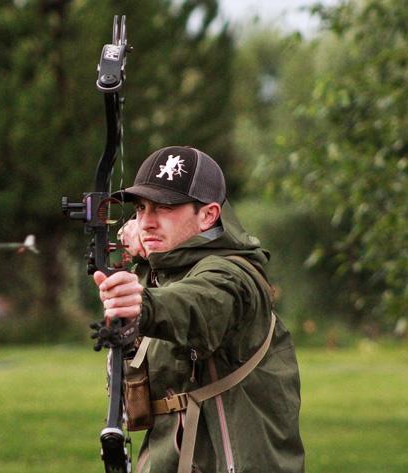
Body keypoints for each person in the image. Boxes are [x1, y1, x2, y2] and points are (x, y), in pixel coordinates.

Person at [95, 146, 305, 473]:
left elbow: (197, 304)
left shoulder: (235, 276)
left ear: (208, 215)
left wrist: (142, 304)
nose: (147, 222)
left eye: (164, 208)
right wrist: (143, 254)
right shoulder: (162, 269)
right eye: (140, 209)